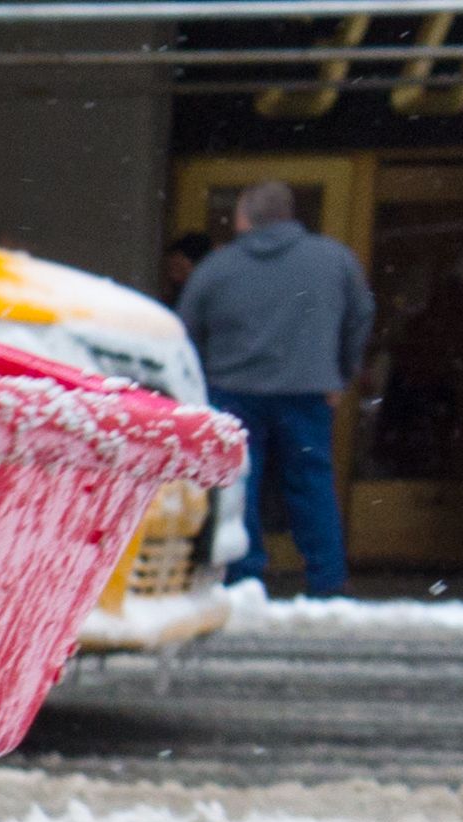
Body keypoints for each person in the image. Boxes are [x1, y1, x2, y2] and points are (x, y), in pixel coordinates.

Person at [178, 180, 376, 601]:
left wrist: (198, 384)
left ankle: (243, 574)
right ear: (289, 215)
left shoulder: (217, 268)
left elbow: (187, 330)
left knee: (238, 484)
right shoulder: (335, 260)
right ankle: (328, 578)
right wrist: (340, 373)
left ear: (245, 218)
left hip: (232, 391)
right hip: (308, 390)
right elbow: (361, 316)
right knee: (311, 482)